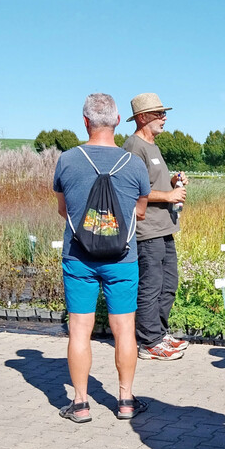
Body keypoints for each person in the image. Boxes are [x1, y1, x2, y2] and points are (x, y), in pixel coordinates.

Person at [53, 93, 151, 422]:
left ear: (85, 122)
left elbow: (63, 210)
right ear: (118, 121)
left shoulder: (67, 160)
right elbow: (140, 211)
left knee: (80, 329)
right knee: (124, 329)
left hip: (78, 257)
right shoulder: (134, 163)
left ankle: (80, 404)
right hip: (122, 259)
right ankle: (125, 400)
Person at [123, 93, 189, 361]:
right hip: (147, 230)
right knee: (151, 286)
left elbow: (152, 182)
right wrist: (169, 196)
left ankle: (159, 335)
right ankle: (148, 342)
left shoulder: (152, 146)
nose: (164, 118)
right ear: (142, 118)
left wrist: (173, 180)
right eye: (158, 114)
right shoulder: (133, 147)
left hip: (165, 227)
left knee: (168, 284)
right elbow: (131, 190)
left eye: (164, 113)